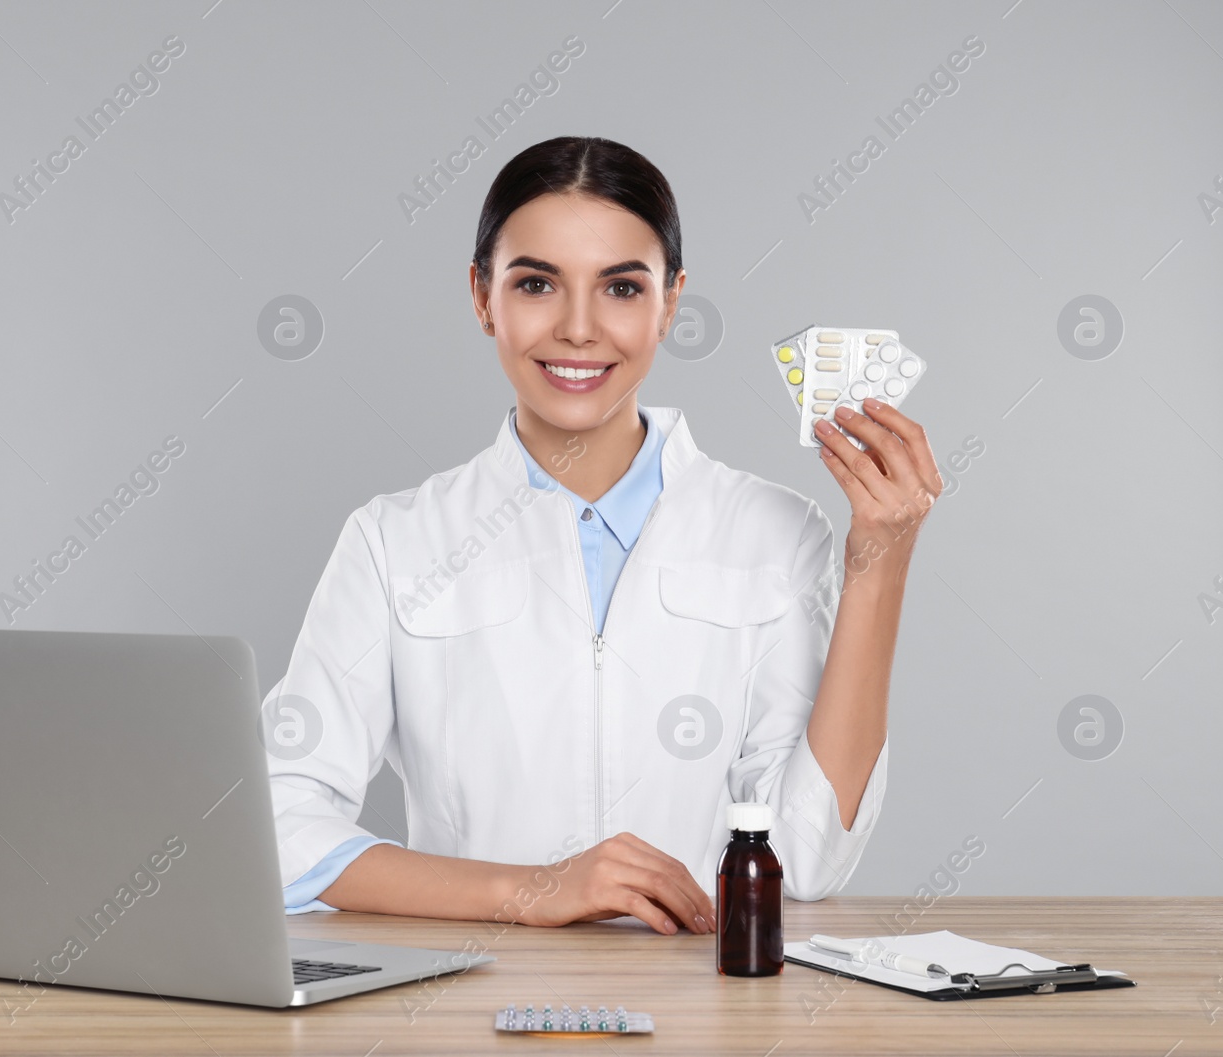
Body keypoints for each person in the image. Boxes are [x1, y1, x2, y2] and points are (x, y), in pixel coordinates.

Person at [264, 136, 943, 936]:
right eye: (536, 283)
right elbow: (278, 824)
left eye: (621, 286)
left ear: (671, 302)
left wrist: (880, 559)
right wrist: (532, 890)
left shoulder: (776, 533)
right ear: (483, 297)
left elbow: (807, 853)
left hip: (702, 1005)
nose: (579, 328)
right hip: (469, 1005)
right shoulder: (393, 541)